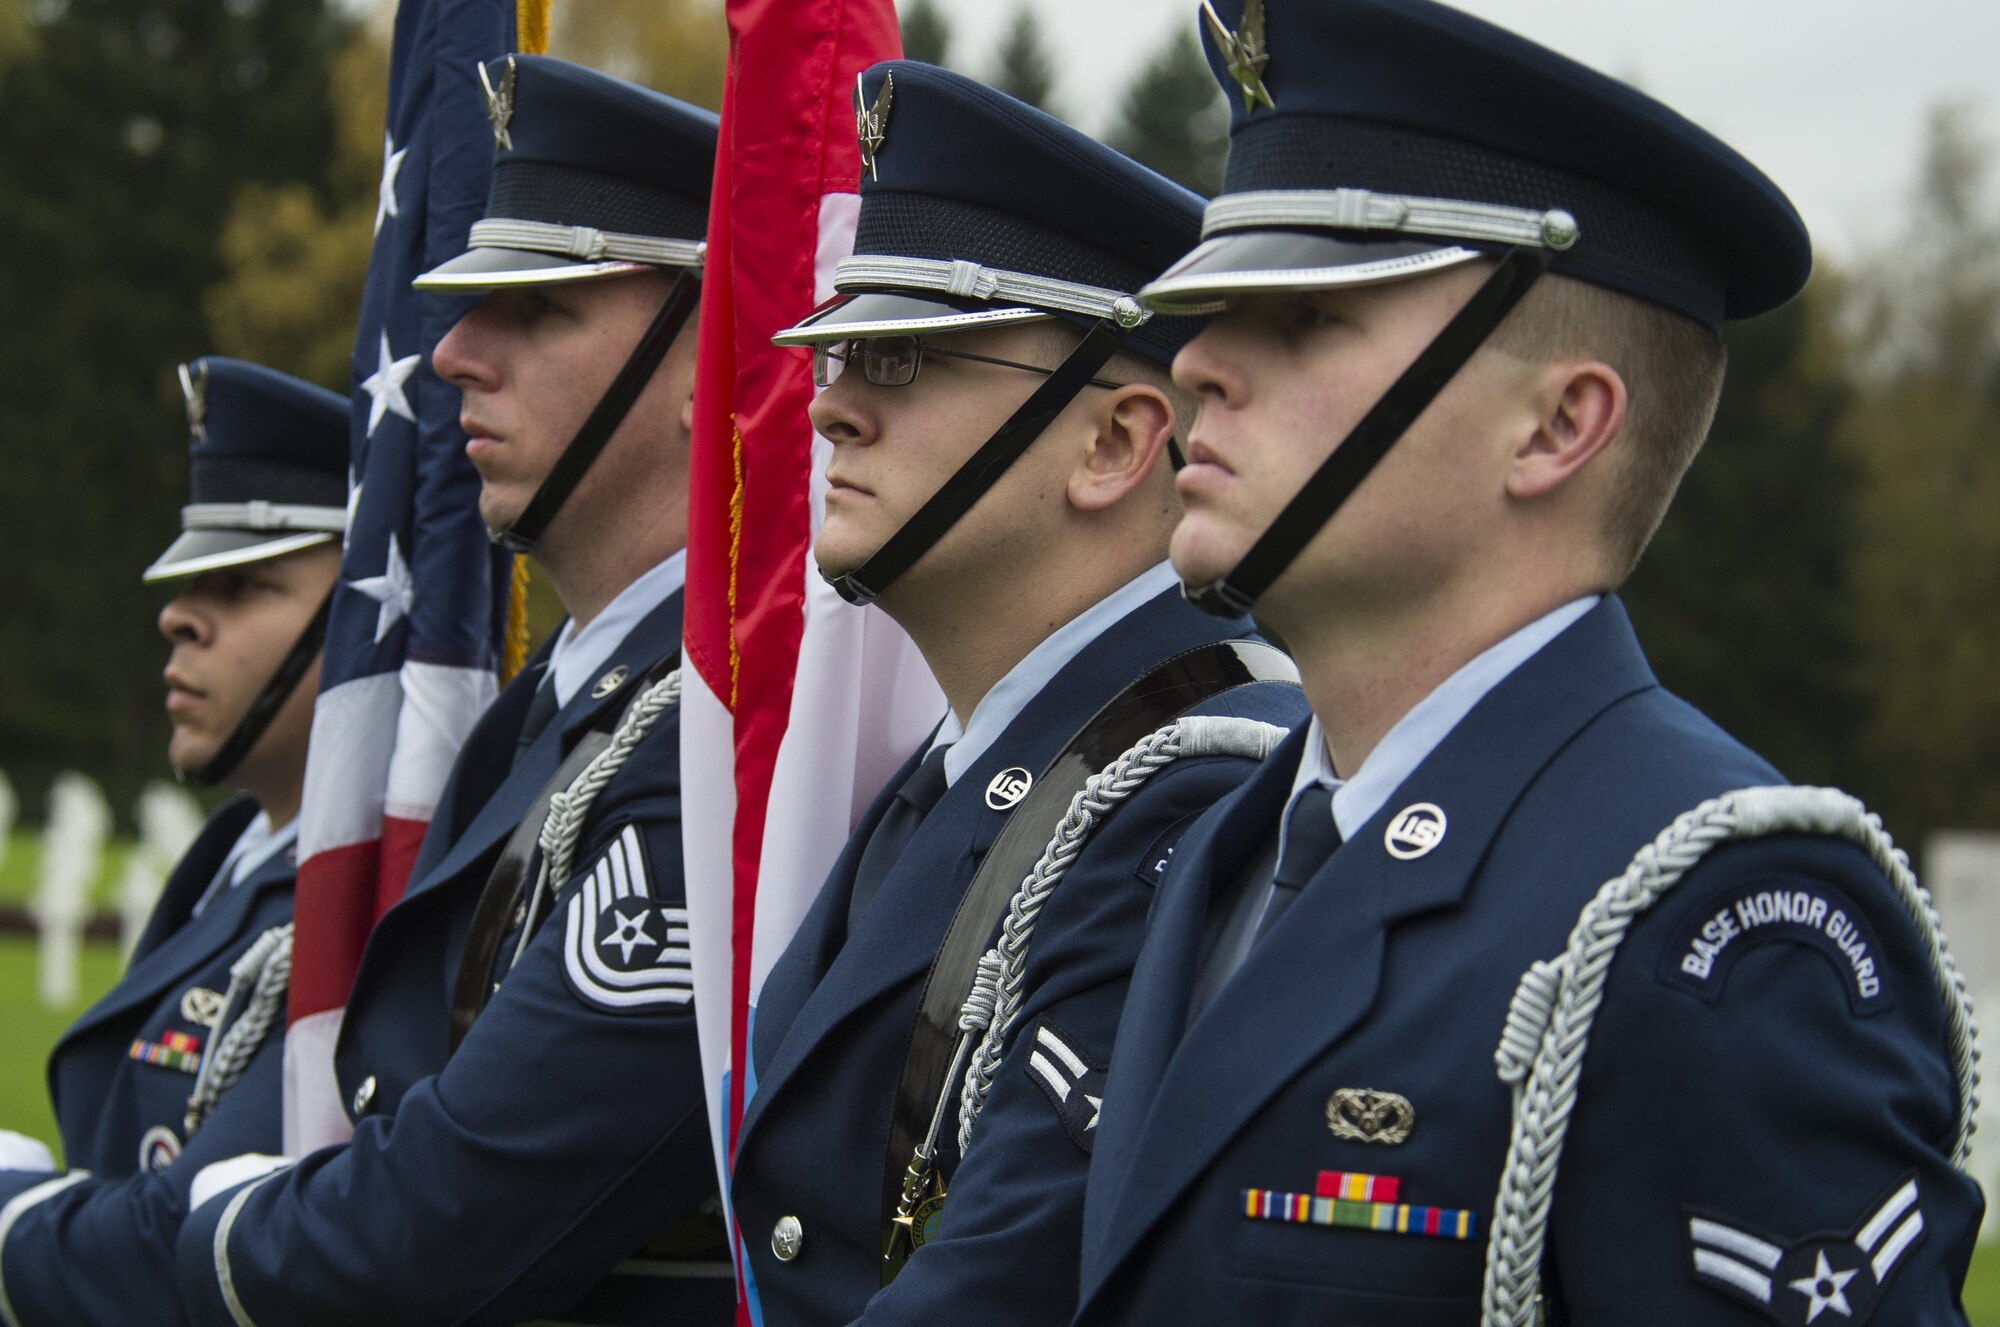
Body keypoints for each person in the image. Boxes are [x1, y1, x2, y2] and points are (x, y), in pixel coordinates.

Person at [1075, 2, 1984, 1324]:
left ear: (1559, 423)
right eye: (1213, 310)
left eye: (1308, 315)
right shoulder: (1228, 845)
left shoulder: (1714, 923)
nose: (1200, 360)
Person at [729, 61, 1307, 1327]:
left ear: (1112, 444)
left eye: (896, 358)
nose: (827, 407)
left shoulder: (1188, 783)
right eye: (836, 355)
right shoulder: (973, 765)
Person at [174, 55, 733, 1327]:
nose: (451, 357)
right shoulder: (557, 712)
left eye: (536, 309)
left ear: (718, 356)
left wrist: (63, 1236)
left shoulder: (702, 742)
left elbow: (434, 1230)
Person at [0, 357, 345, 1326]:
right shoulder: (232, 860)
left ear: (373, 612)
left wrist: (11, 1214)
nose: (176, 615)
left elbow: (184, 1242)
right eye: (191, 579)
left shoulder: (367, 897)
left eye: (242, 584)